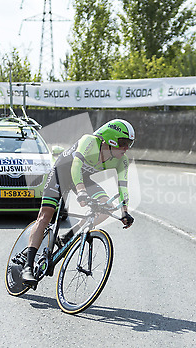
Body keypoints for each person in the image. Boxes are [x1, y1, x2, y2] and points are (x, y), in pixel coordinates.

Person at [21, 119, 136, 286]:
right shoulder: (89, 141)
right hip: (62, 172)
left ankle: (68, 236)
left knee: (107, 208)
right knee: (46, 215)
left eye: (129, 144)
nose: (126, 148)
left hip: (84, 179)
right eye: (123, 143)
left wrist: (124, 211)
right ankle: (28, 266)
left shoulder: (121, 160)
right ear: (110, 139)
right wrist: (81, 192)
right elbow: (75, 167)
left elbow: (123, 187)